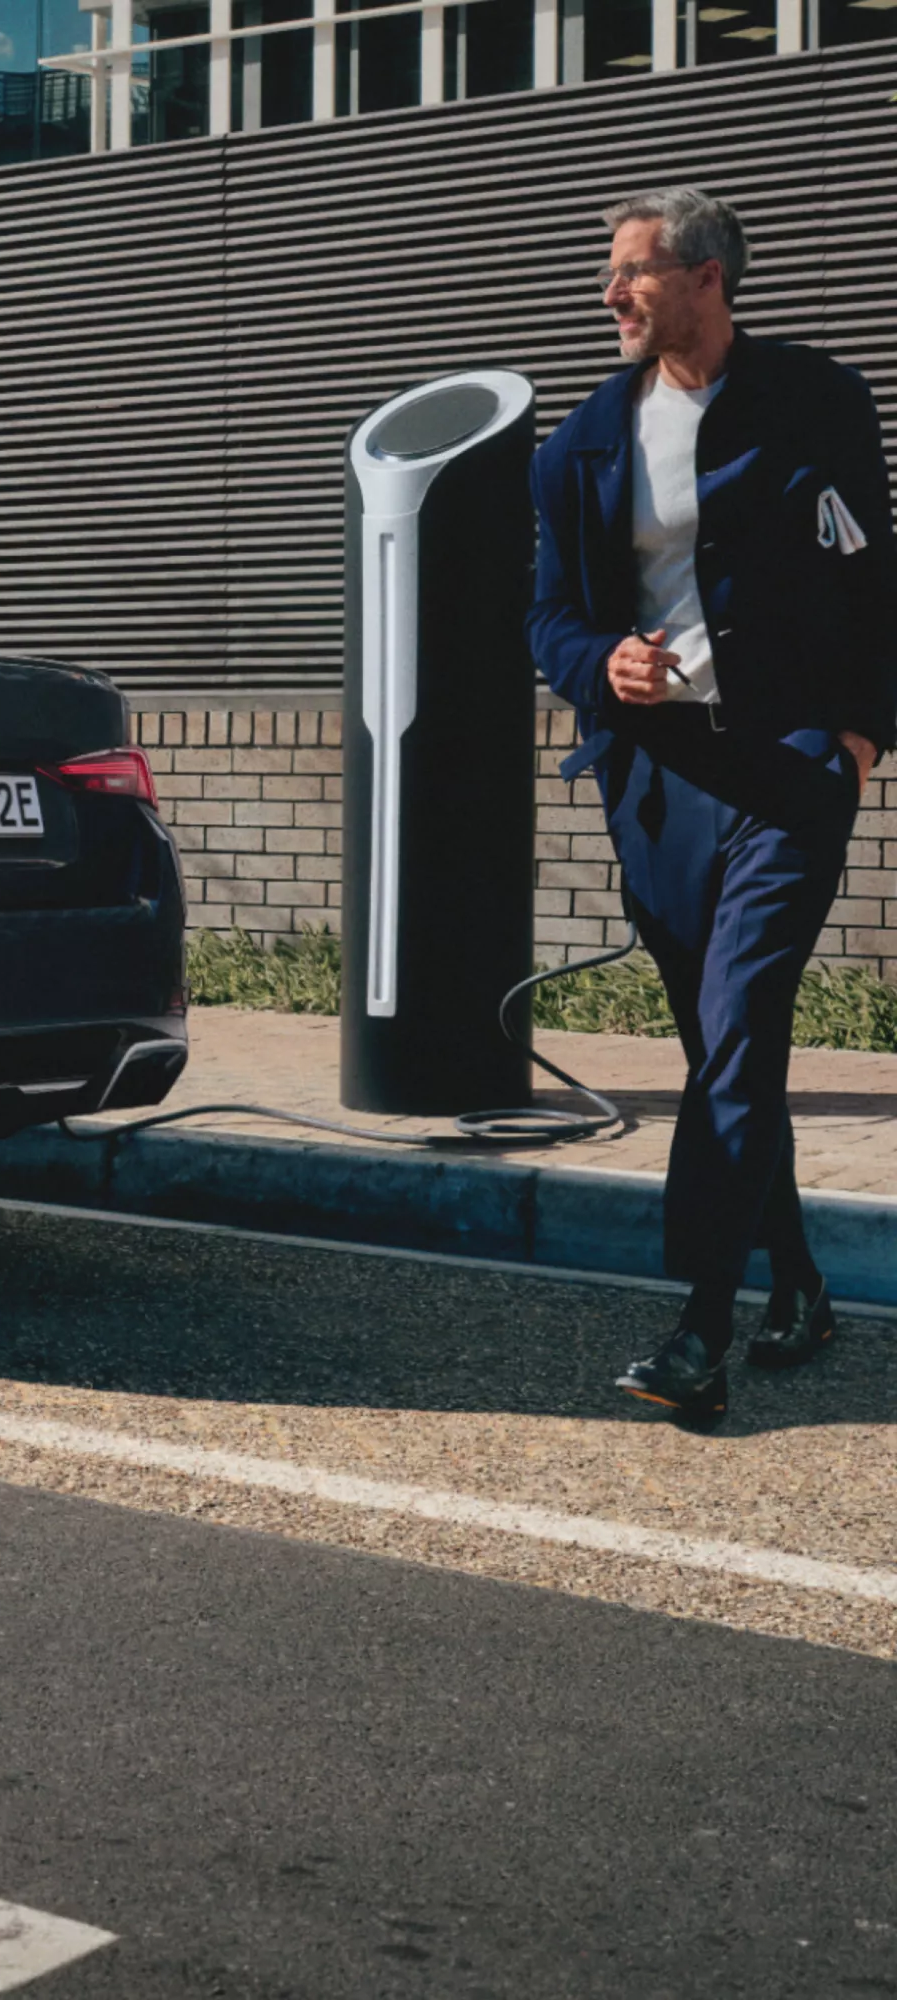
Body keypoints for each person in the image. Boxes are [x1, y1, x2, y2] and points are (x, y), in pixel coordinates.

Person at [528, 187, 894, 1426]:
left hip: (788, 765)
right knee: (719, 1053)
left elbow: (874, 580)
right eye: (608, 271)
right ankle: (796, 1280)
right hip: (664, 783)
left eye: (631, 271)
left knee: (739, 1029)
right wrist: (600, 667)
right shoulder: (578, 445)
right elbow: (548, 619)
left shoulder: (817, 404)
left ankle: (698, 1329)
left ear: (706, 279)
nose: (609, 294)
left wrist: (859, 734)